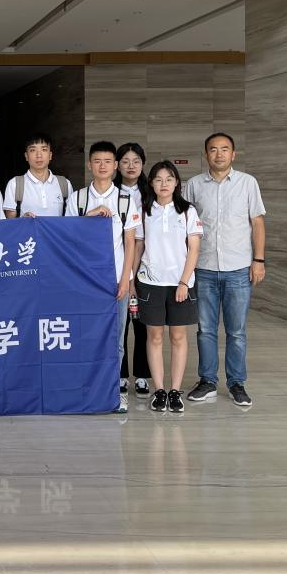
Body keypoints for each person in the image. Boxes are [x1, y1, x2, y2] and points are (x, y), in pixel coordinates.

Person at [181, 133, 267, 409]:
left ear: (233, 154)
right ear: (205, 154)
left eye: (224, 149)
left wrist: (259, 260)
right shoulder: (193, 185)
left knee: (236, 331)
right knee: (205, 329)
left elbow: (257, 223)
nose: (219, 154)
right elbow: (183, 224)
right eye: (213, 149)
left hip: (238, 268)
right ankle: (207, 380)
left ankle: (236, 383)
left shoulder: (247, 183)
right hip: (203, 268)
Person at [68, 141, 140, 414]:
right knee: (85, 336)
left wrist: (125, 280)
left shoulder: (125, 200)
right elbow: (69, 236)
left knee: (115, 340)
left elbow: (130, 243)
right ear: (89, 165)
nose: (102, 166)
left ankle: (111, 393)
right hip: (85, 281)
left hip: (115, 281)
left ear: (115, 166)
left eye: (108, 161)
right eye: (97, 161)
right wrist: (90, 216)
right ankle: (85, 390)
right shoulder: (77, 198)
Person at [130, 160, 203, 415]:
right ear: (151, 183)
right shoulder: (143, 210)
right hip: (150, 283)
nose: (164, 184)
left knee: (178, 337)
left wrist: (184, 282)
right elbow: (138, 246)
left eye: (169, 179)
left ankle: (175, 391)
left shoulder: (187, 211)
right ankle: (159, 390)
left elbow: (194, 249)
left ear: (176, 183)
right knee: (155, 337)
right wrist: (131, 279)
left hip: (180, 284)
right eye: (158, 179)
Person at [114, 142, 150, 397]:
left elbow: (141, 239)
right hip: (121, 266)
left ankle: (143, 375)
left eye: (136, 161)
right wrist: (128, 275)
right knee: (120, 324)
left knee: (143, 324)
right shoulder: (111, 192)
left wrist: (135, 275)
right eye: (125, 161)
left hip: (149, 266)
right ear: (117, 165)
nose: (131, 166)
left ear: (142, 164)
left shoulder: (151, 193)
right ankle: (121, 374)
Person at [2, 133, 73, 218]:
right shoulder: (15, 184)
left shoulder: (64, 184)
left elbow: (71, 220)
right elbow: (10, 222)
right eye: (33, 150)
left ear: (50, 155)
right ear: (26, 156)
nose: (39, 155)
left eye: (44, 149)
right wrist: (23, 220)